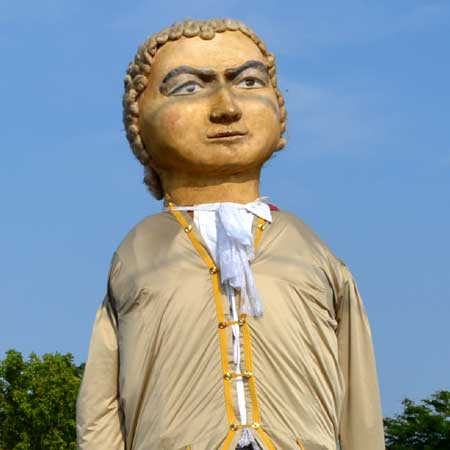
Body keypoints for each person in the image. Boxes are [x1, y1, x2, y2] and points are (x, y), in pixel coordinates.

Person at [76, 18, 385, 450]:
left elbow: (358, 396)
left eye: (249, 82)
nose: (227, 108)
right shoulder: (139, 253)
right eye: (188, 87)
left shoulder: (311, 252)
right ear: (139, 120)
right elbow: (101, 405)